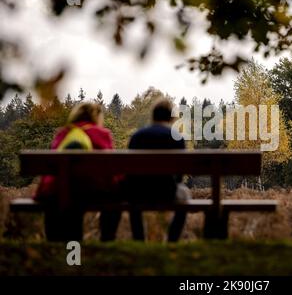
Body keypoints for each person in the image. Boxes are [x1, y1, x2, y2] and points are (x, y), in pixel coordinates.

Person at [35, 102, 118, 241]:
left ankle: (54, 243)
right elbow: (111, 169)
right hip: (93, 191)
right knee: (115, 201)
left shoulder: (63, 133)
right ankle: (107, 240)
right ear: (97, 117)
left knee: (60, 200)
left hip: (59, 190)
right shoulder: (102, 134)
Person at [122, 97, 190, 241]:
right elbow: (179, 174)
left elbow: (129, 170)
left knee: (132, 196)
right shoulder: (177, 137)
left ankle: (139, 239)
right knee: (185, 194)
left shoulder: (137, 136)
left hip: (139, 193)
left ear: (153, 115)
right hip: (167, 192)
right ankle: (172, 240)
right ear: (171, 117)